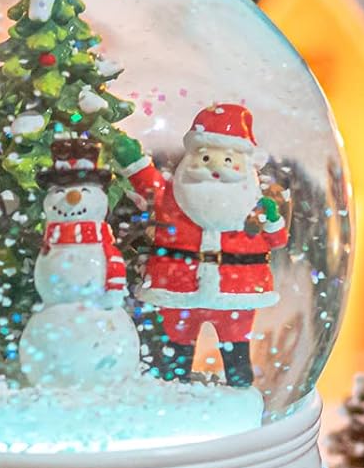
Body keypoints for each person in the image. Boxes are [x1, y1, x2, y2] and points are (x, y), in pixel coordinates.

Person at [111, 103, 287, 387]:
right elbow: (149, 185)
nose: (216, 168)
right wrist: (133, 161)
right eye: (205, 158)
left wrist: (273, 219)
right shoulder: (173, 198)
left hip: (237, 291)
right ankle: (175, 381)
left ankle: (239, 385)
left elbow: (277, 241)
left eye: (227, 160)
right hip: (179, 287)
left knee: (236, 345)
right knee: (177, 344)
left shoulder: (253, 207)